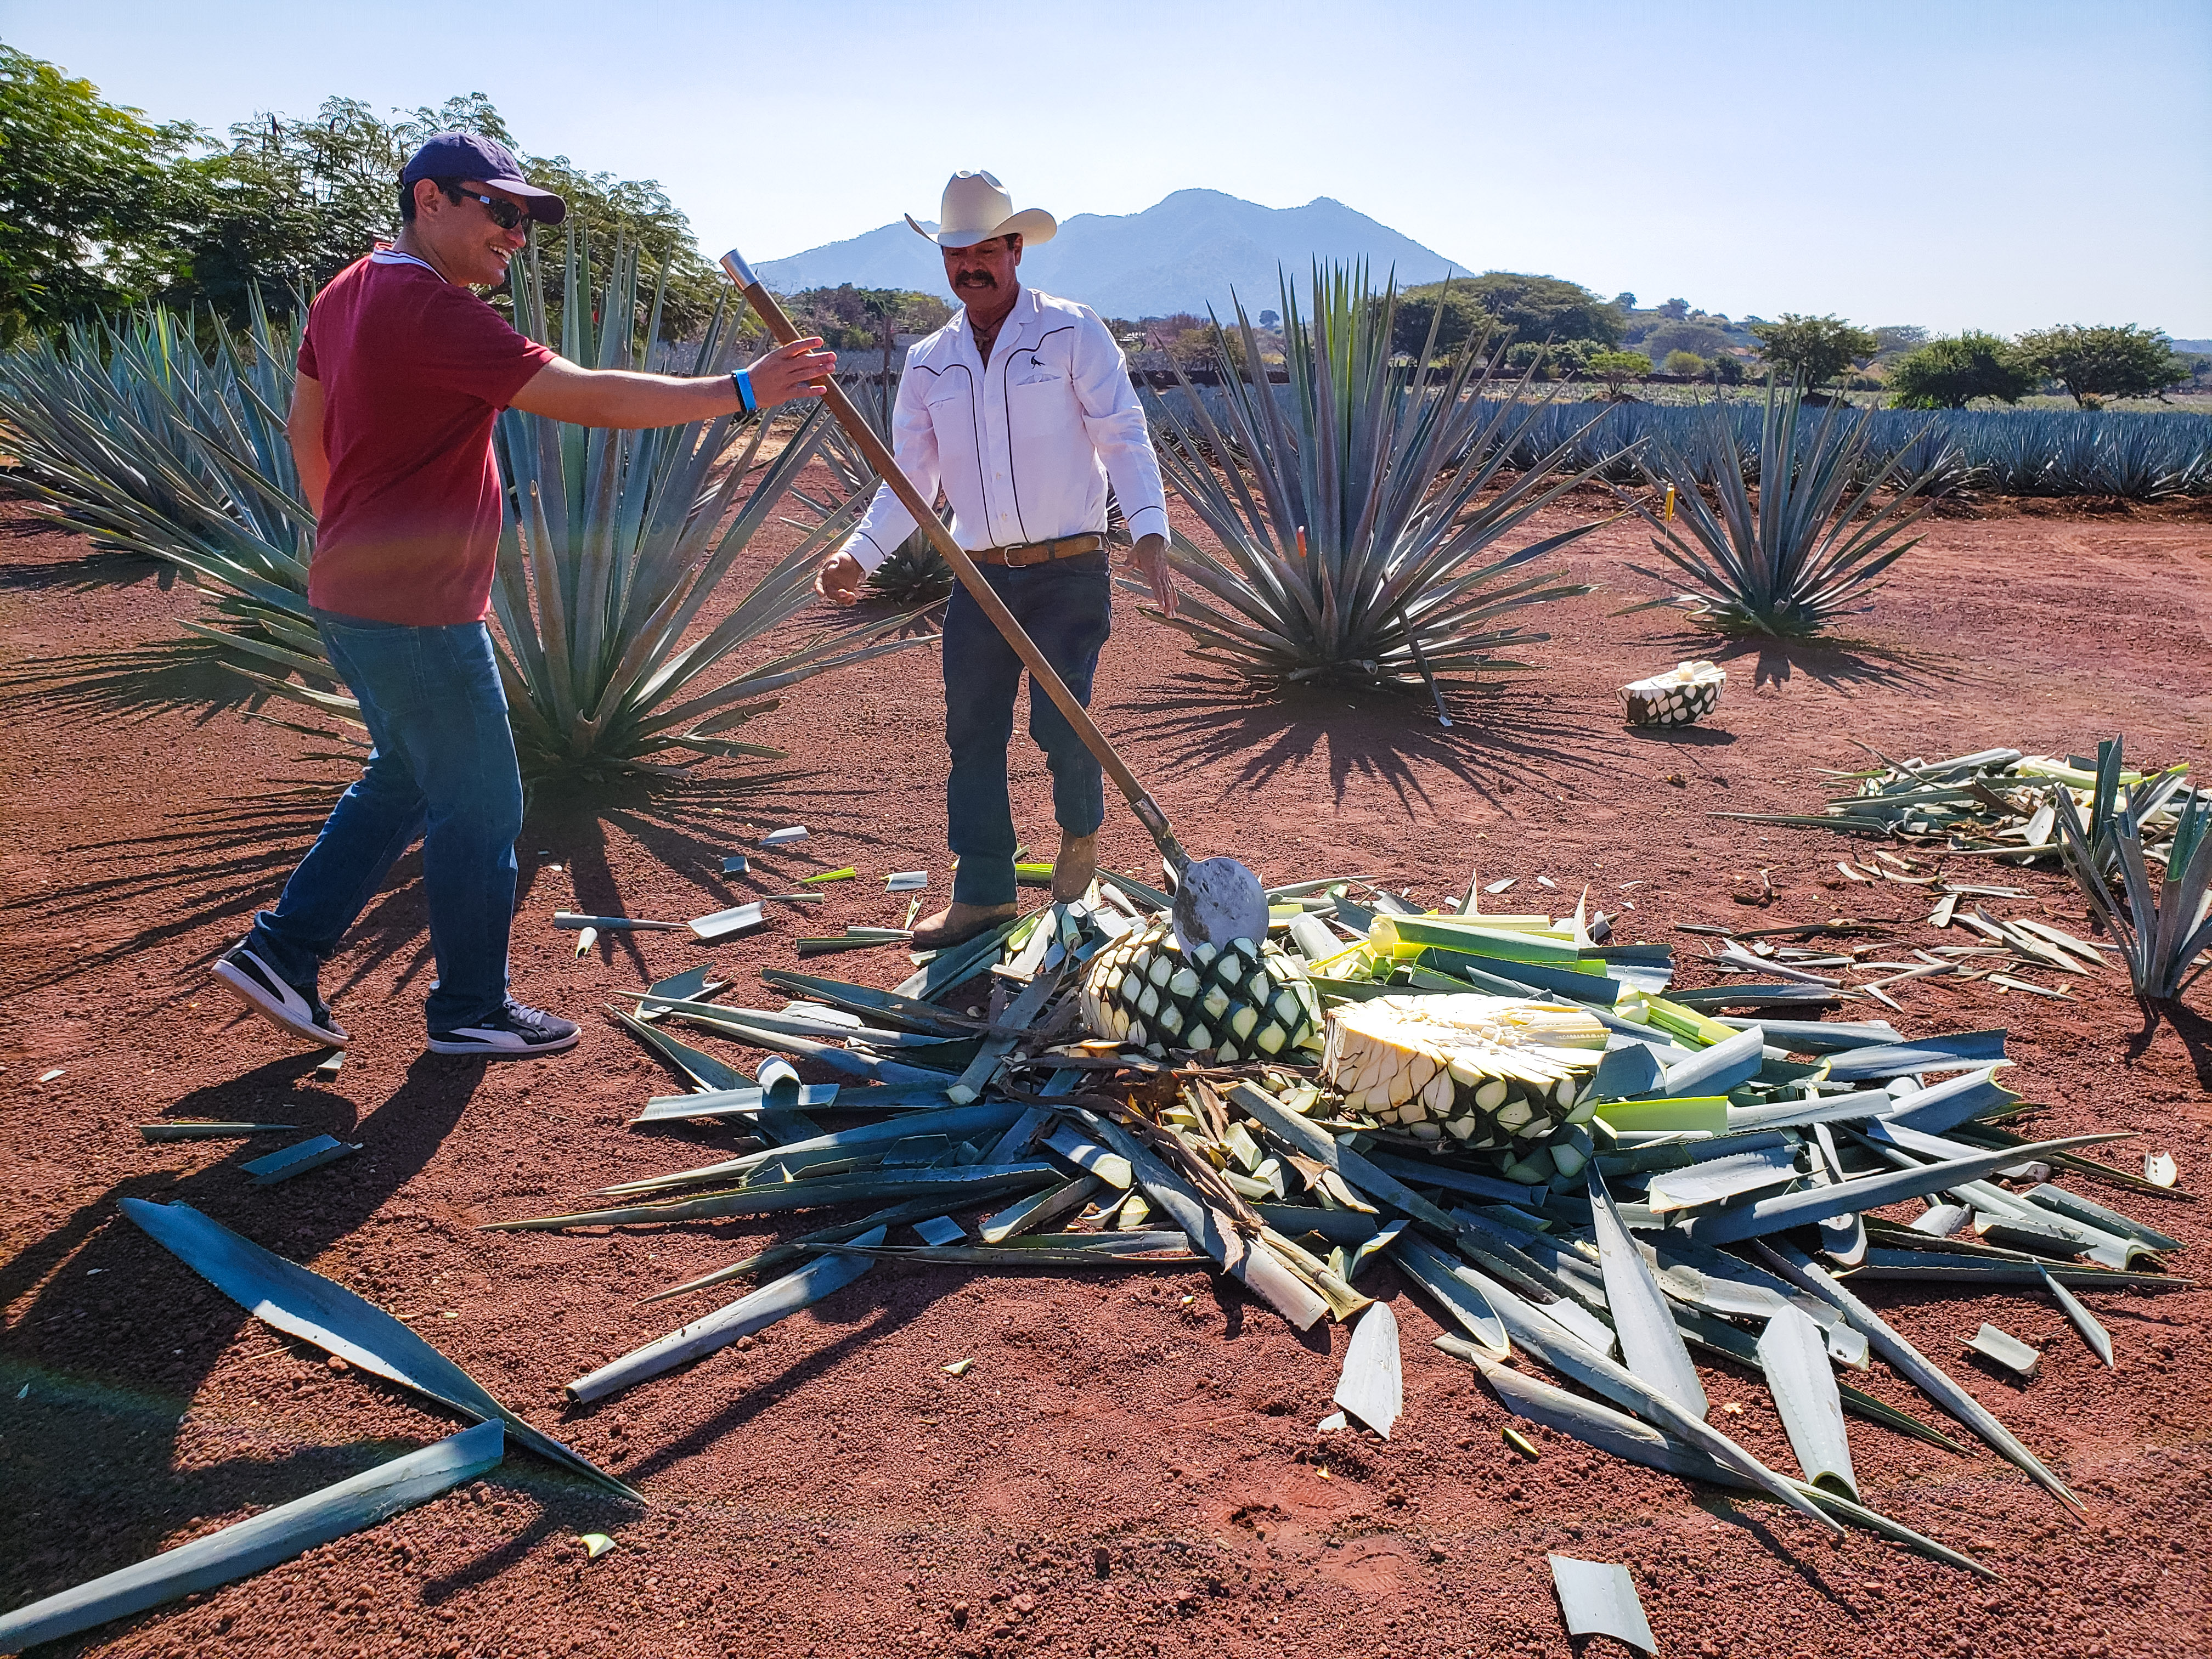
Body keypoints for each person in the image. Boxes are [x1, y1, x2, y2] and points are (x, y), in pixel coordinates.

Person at [212, 131, 833, 1058]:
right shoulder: (429, 306)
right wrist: (743, 389)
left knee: (404, 779)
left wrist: (352, 532)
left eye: (524, 218)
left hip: (353, 593)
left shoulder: (348, 290)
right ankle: (471, 1008)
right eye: (499, 211)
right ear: (429, 200)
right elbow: (588, 398)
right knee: (484, 807)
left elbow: (309, 430)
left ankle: (281, 952)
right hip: (417, 611)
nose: (516, 233)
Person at [815, 170, 1175, 949]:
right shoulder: (930, 361)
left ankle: (1079, 837)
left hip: (1068, 570)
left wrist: (1149, 528)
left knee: (1060, 719)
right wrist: (859, 556)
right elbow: (911, 480)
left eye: (984, 250)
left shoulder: (1071, 333)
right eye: (957, 253)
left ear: (1016, 249)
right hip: (979, 577)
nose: (969, 266)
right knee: (972, 730)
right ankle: (982, 892)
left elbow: (1123, 434)